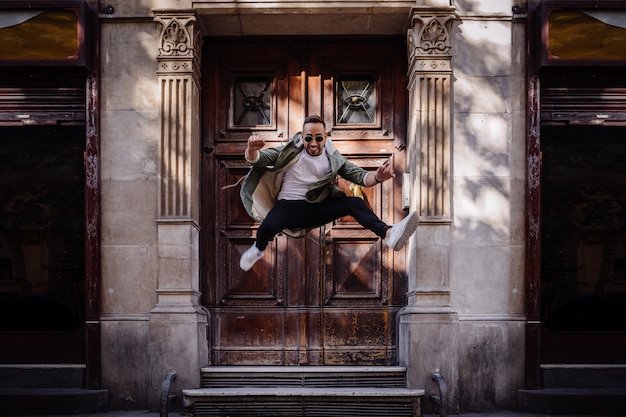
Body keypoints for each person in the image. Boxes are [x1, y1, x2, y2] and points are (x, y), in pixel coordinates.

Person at [239, 114, 418, 271]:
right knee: (267, 228)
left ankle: (388, 234)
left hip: (316, 208)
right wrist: (252, 150)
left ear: (325, 137)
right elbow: (261, 159)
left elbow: (360, 177)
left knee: (354, 203)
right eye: (308, 138)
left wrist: (378, 177)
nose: (313, 143)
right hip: (289, 207)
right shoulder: (290, 151)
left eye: (318, 138)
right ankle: (258, 250)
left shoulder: (333, 158)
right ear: (302, 137)